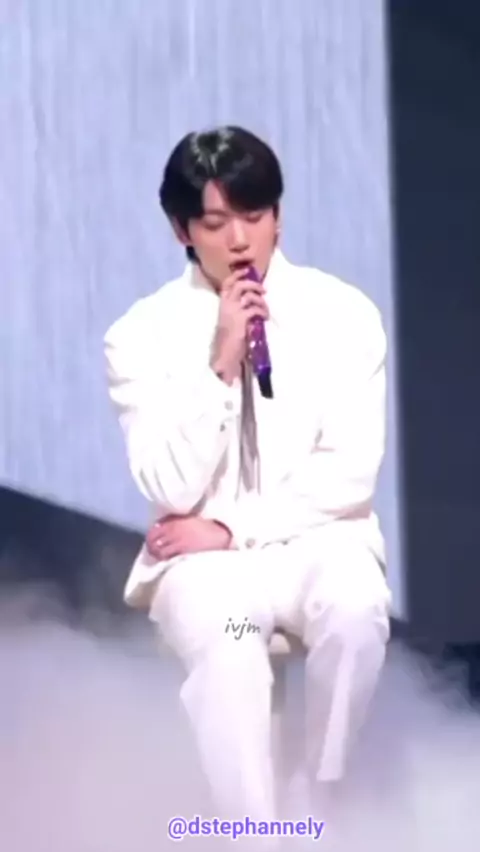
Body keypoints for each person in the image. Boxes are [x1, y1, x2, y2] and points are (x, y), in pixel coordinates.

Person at [104, 126, 391, 823]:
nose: (239, 239)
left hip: (317, 543)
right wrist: (220, 362)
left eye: (254, 216)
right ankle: (251, 830)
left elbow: (349, 474)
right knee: (233, 640)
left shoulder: (344, 314)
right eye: (215, 223)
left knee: (354, 612)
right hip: (212, 574)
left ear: (278, 216)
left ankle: (322, 803)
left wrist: (231, 526)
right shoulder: (138, 335)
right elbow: (168, 487)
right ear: (181, 230)